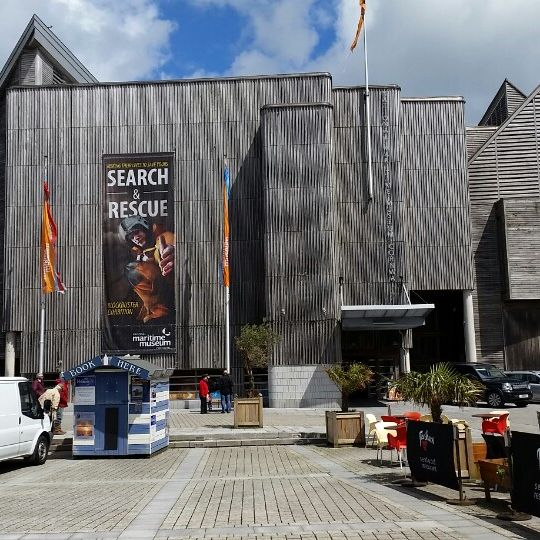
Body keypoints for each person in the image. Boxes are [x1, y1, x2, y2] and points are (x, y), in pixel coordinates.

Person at [120, 216, 175, 323]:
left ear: (145, 227)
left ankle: (159, 311)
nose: (135, 238)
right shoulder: (138, 252)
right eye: (131, 237)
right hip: (158, 295)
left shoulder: (164, 237)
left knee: (132, 269)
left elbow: (170, 245)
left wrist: (174, 252)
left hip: (171, 286)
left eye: (136, 232)